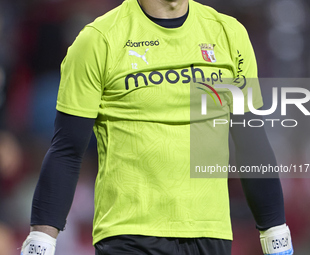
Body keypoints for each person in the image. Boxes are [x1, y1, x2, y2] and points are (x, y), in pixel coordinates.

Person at [21, 0, 294, 254]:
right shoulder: (99, 40)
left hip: (211, 232)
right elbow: (67, 150)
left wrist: (277, 234)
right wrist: (40, 241)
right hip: (128, 234)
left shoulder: (229, 34)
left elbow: (251, 143)